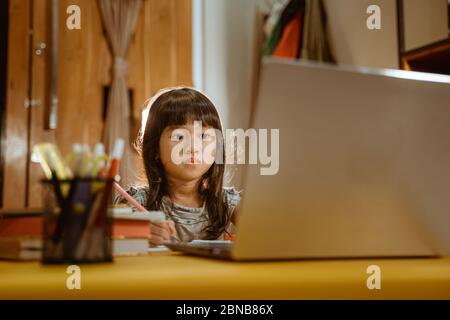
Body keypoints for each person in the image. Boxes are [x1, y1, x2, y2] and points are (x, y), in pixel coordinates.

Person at [115, 87, 241, 244]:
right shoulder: (136, 202)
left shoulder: (227, 203)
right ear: (155, 149)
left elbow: (266, 228)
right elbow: (103, 238)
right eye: (179, 136)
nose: (193, 147)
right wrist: (136, 233)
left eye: (203, 136)